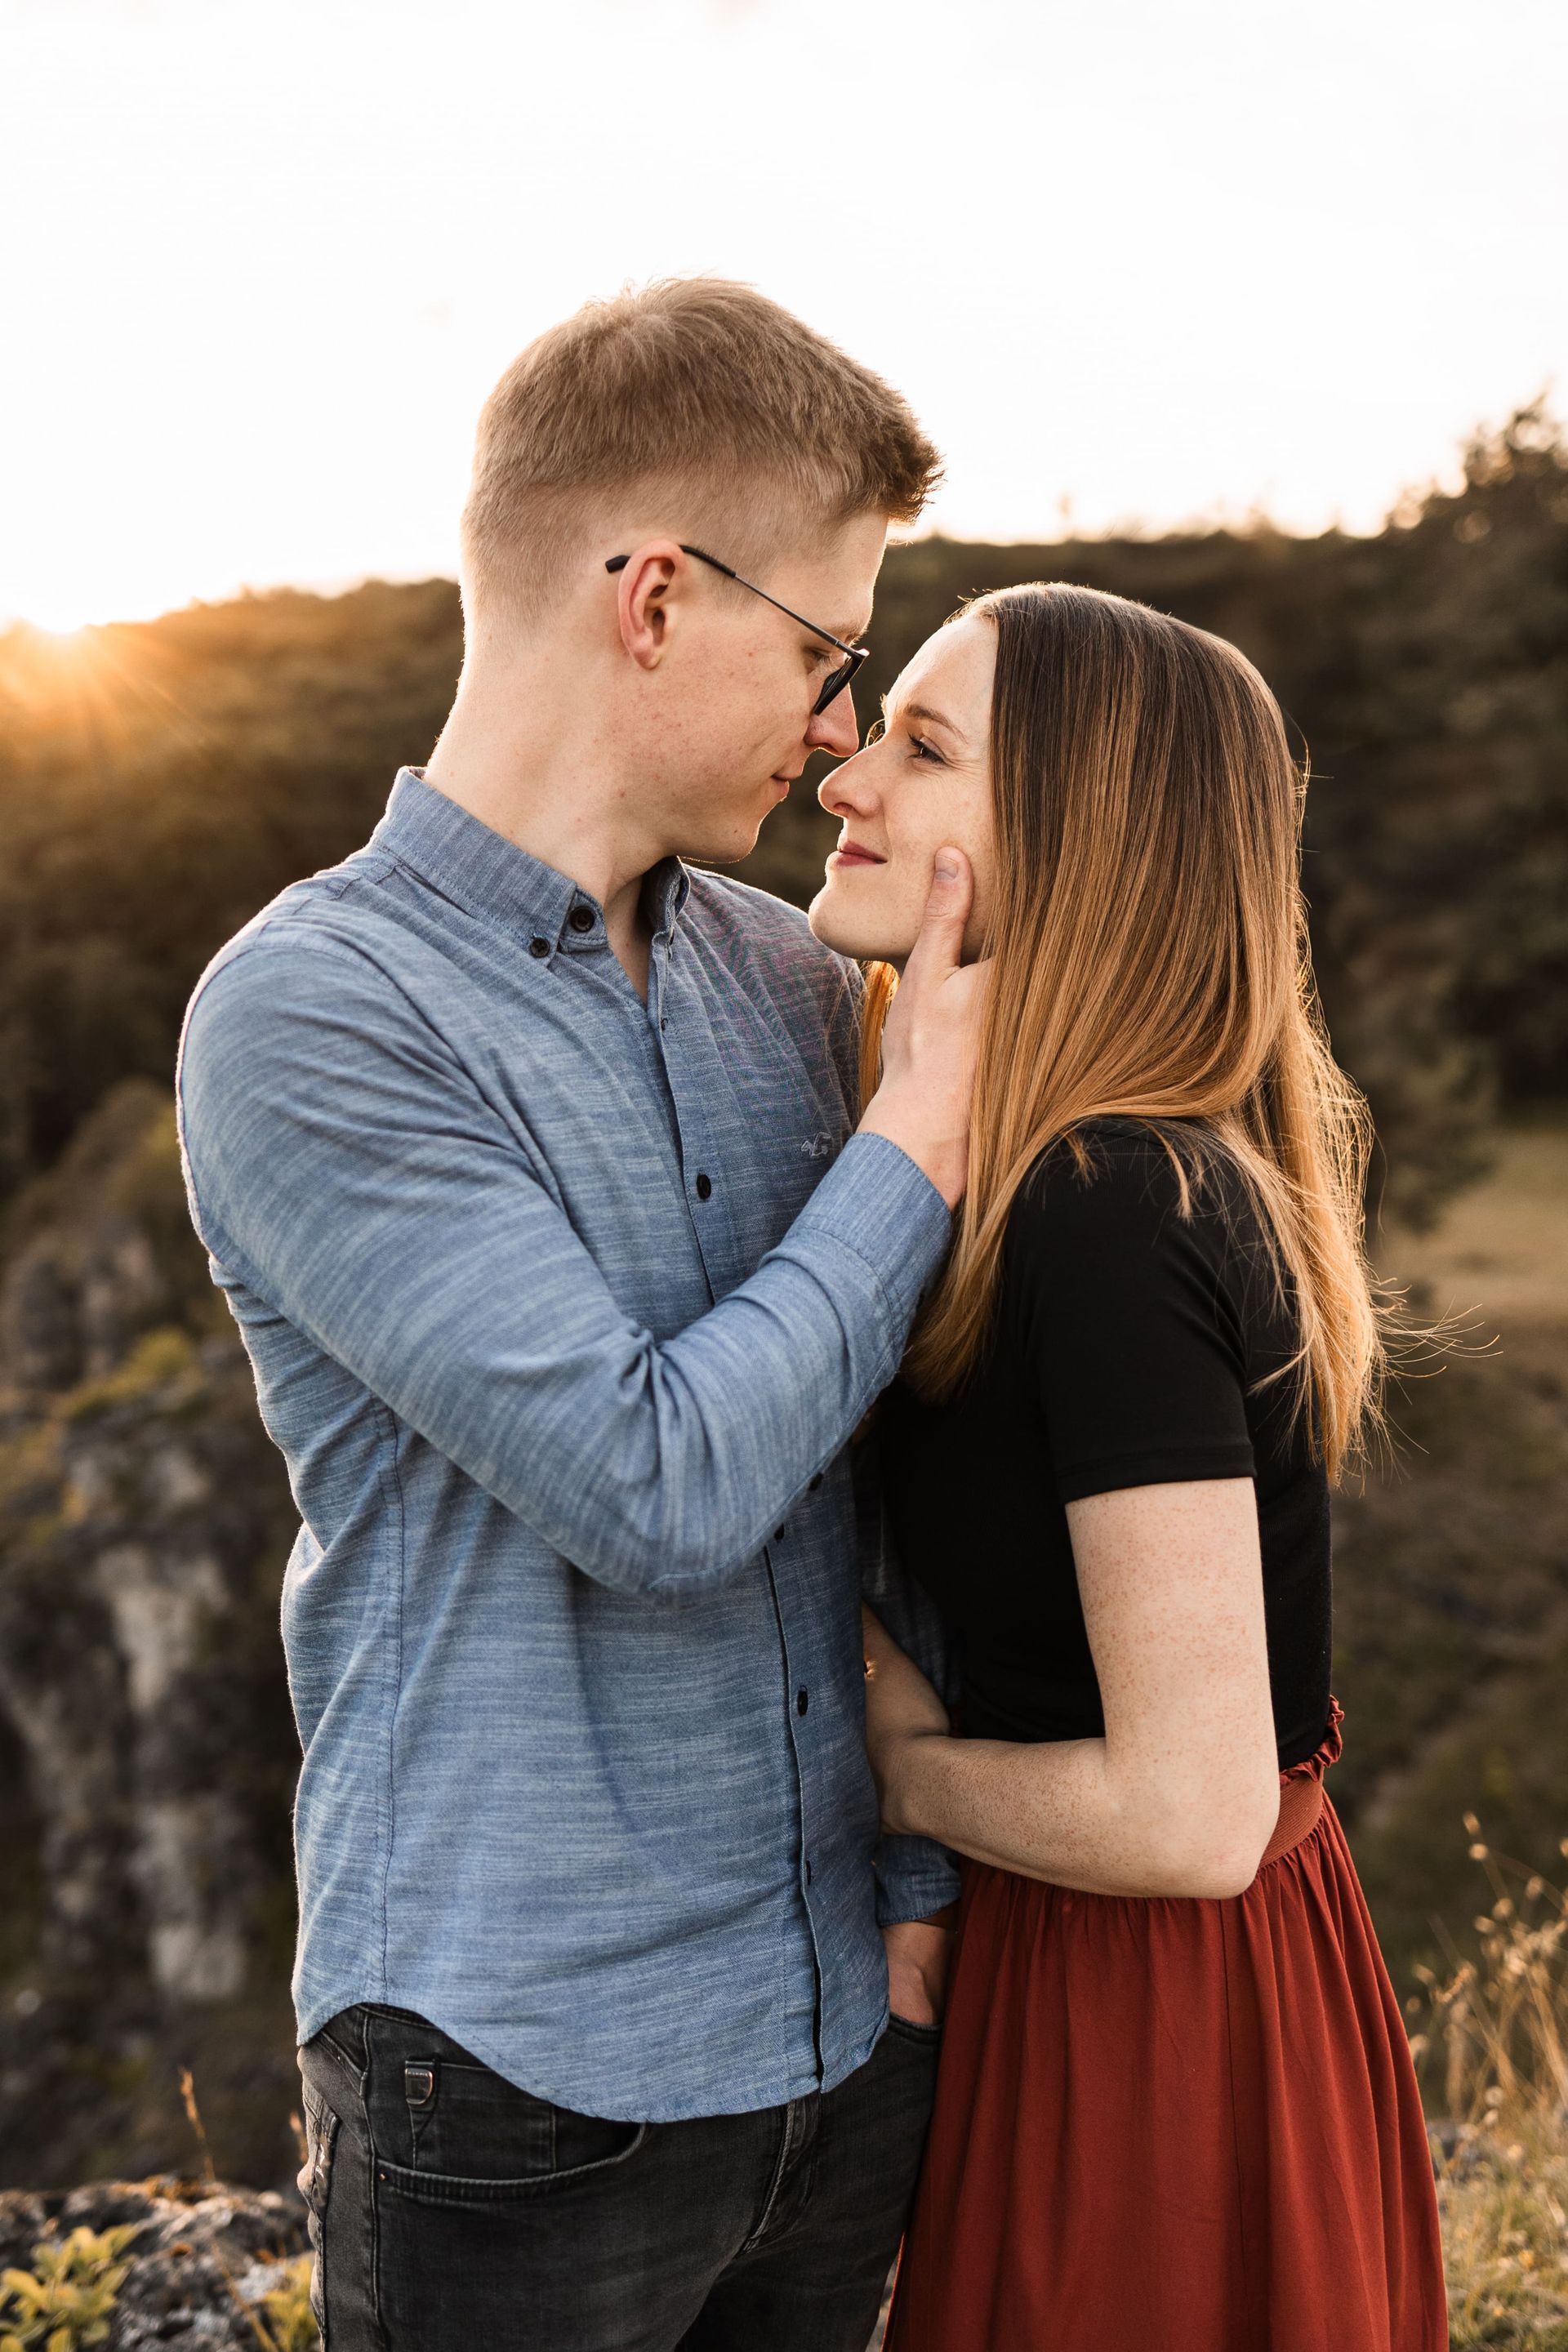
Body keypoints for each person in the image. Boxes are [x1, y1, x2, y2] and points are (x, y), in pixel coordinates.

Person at [176, 279, 984, 2352]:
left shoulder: (799, 987)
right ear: (651, 601)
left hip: (841, 2037)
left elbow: (877, 1465)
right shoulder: (314, 1014)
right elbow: (655, 1480)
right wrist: (933, 1123)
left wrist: (910, 1902)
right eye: (826, 651)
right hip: (520, 2081)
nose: (835, 727)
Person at [808, 582, 1448, 2351]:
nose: (843, 778)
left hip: (1154, 1998)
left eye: (924, 749)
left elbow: (1189, 1815)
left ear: (1085, 846)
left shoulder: (1110, 1206)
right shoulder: (1056, 1176)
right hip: (1119, 1966)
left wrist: (910, 1776)